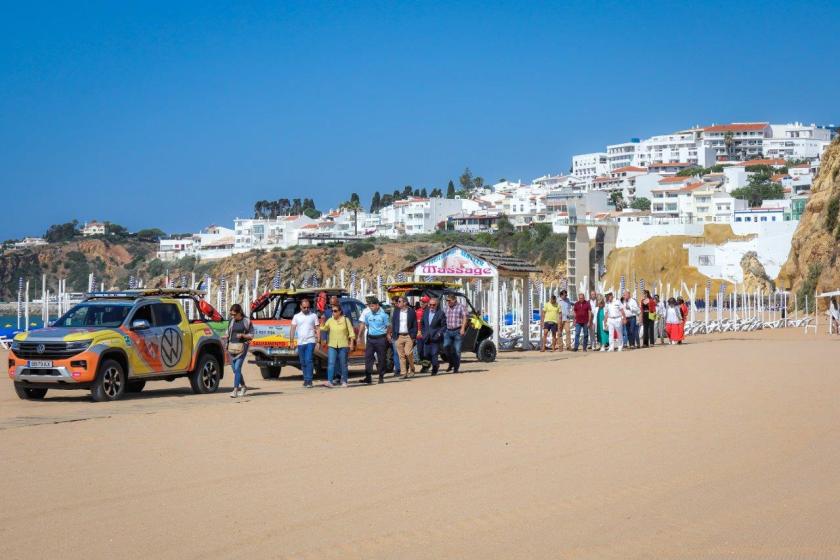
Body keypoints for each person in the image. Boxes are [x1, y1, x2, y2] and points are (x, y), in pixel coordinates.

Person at [320, 303, 355, 387]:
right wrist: (322, 321)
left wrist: (352, 343)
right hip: (332, 345)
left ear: (340, 312)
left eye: (335, 311)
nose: (333, 313)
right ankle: (330, 381)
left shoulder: (346, 320)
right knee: (331, 363)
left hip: (343, 345)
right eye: (332, 311)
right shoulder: (330, 320)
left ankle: (344, 381)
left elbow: (351, 333)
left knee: (343, 363)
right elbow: (324, 328)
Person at [358, 296, 391, 384]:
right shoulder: (368, 315)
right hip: (371, 339)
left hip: (381, 338)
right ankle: (368, 376)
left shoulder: (384, 315)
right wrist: (360, 336)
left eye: (372, 306)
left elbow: (388, 326)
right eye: (370, 306)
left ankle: (381, 376)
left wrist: (387, 335)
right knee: (368, 358)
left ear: (377, 305)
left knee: (381, 358)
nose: (371, 308)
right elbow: (367, 325)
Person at [289, 298, 319, 387]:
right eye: (304, 307)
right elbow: (293, 329)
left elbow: (317, 328)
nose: (306, 309)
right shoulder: (296, 316)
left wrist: (318, 341)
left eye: (308, 307)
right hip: (301, 342)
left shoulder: (313, 316)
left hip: (311, 340)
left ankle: (309, 380)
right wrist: (291, 341)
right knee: (302, 362)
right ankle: (306, 379)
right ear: (300, 306)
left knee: (308, 360)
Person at [226, 303, 254, 397]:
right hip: (231, 347)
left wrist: (243, 335)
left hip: (242, 347)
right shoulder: (231, 321)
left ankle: (235, 390)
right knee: (234, 370)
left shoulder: (247, 321)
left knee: (238, 368)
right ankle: (243, 386)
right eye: (231, 314)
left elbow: (252, 335)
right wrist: (226, 336)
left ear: (239, 313)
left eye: (234, 314)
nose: (233, 316)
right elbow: (228, 332)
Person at [391, 296, 418, 378]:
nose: (397, 303)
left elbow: (415, 324)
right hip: (399, 336)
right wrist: (394, 334)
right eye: (398, 301)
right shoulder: (396, 311)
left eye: (399, 301)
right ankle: (404, 373)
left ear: (405, 303)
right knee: (401, 355)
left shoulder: (411, 312)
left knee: (408, 353)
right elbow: (394, 323)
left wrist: (413, 336)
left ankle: (412, 369)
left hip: (408, 335)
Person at [443, 293, 467, 373]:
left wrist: (463, 328)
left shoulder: (461, 307)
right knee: (446, 348)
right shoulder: (446, 308)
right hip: (448, 331)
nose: (448, 302)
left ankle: (456, 368)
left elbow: (465, 318)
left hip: (458, 330)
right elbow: (443, 319)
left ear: (454, 300)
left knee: (457, 350)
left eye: (449, 301)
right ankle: (451, 363)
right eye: (447, 301)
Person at [422, 297, 446, 375]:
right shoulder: (426, 312)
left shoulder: (440, 313)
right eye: (430, 305)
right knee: (426, 354)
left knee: (434, 353)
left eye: (433, 305)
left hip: (436, 337)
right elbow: (423, 323)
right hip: (427, 337)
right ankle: (433, 365)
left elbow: (444, 326)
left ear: (437, 305)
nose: (432, 306)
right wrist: (423, 332)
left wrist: (439, 333)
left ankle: (435, 368)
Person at [415, 296, 430, 372]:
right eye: (421, 301)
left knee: (426, 351)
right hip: (418, 335)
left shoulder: (430, 311)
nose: (421, 303)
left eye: (424, 302)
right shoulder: (417, 311)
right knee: (420, 351)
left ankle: (426, 366)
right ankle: (425, 364)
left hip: (426, 334)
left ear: (427, 303)